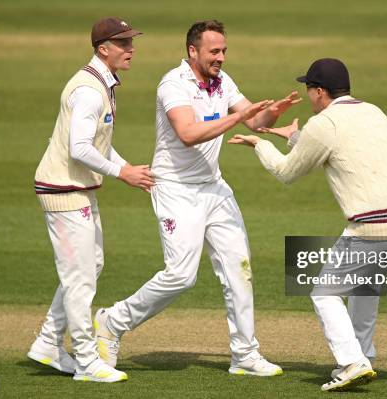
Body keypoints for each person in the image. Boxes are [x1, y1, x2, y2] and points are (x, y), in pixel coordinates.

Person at [93, 20, 300, 377]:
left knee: (240, 268)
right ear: (193, 51)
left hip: (213, 188)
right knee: (181, 276)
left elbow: (254, 119)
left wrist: (273, 114)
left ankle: (245, 354)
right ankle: (112, 322)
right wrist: (237, 117)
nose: (220, 57)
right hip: (175, 189)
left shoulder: (223, 80)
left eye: (224, 51)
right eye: (214, 51)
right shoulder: (173, 84)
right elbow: (188, 134)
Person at [229, 58, 387, 391]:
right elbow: (342, 149)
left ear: (320, 91)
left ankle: (351, 362)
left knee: (325, 292)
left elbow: (287, 172)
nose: (309, 96)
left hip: (374, 227)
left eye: (310, 89)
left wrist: (260, 144)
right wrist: (295, 138)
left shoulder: (324, 123)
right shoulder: (373, 111)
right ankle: (363, 355)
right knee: (366, 286)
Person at [28, 17, 154, 383]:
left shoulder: (102, 83)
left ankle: (49, 342)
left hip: (76, 188)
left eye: (131, 42)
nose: (132, 49)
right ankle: (86, 361)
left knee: (91, 265)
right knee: (80, 276)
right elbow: (79, 147)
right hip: (64, 191)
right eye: (124, 44)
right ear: (104, 48)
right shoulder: (89, 90)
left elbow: (98, 141)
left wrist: (127, 167)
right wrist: (121, 174)